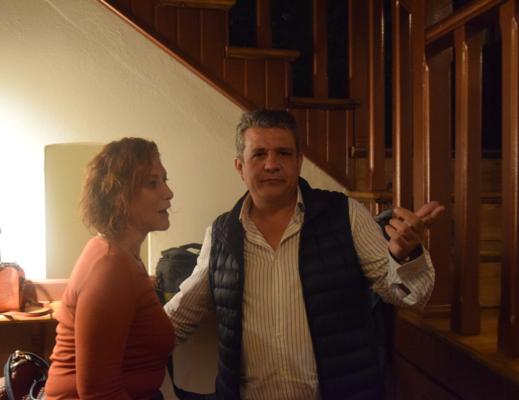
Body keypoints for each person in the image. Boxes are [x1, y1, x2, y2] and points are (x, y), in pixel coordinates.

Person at [164, 109, 445, 400]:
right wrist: (132, 345)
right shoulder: (221, 234)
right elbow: (181, 315)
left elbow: (411, 297)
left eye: (283, 153)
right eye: (259, 154)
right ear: (240, 167)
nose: (272, 164)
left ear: (298, 161)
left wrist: (405, 256)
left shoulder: (346, 215)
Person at [45, 138, 175, 400]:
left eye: (164, 180)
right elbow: (98, 393)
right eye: (153, 183)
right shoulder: (109, 267)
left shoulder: (121, 257)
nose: (168, 193)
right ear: (120, 197)